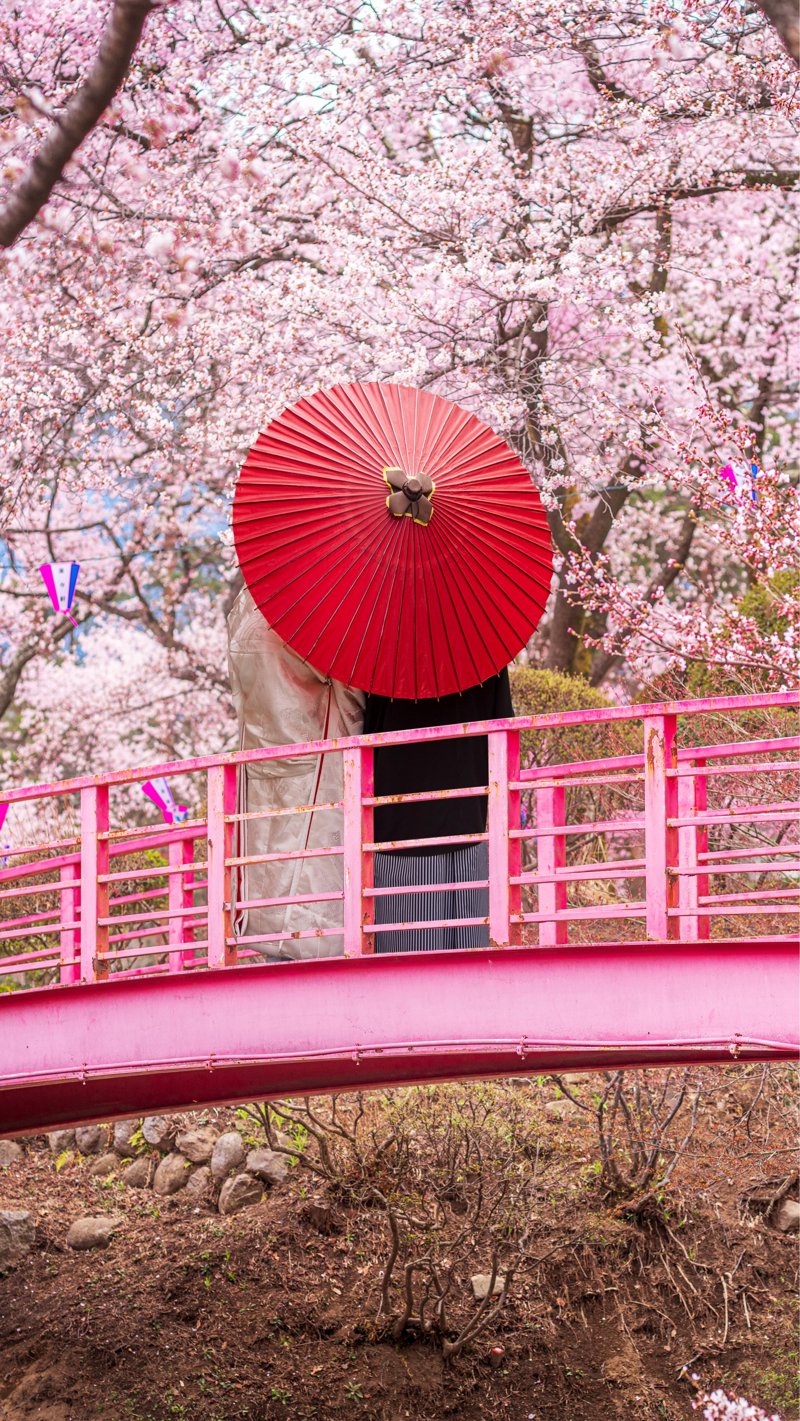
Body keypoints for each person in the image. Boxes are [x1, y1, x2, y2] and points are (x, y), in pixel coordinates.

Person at [227, 586, 364, 959]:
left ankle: (277, 950)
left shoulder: (249, 609)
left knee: (272, 869)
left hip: (264, 755)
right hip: (317, 754)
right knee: (317, 872)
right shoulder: (314, 612)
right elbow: (351, 686)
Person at [363, 670, 514, 952]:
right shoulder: (481, 650)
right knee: (471, 954)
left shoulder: (381, 653)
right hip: (465, 813)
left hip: (398, 823)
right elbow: (503, 724)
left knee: (404, 960)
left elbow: (364, 728)